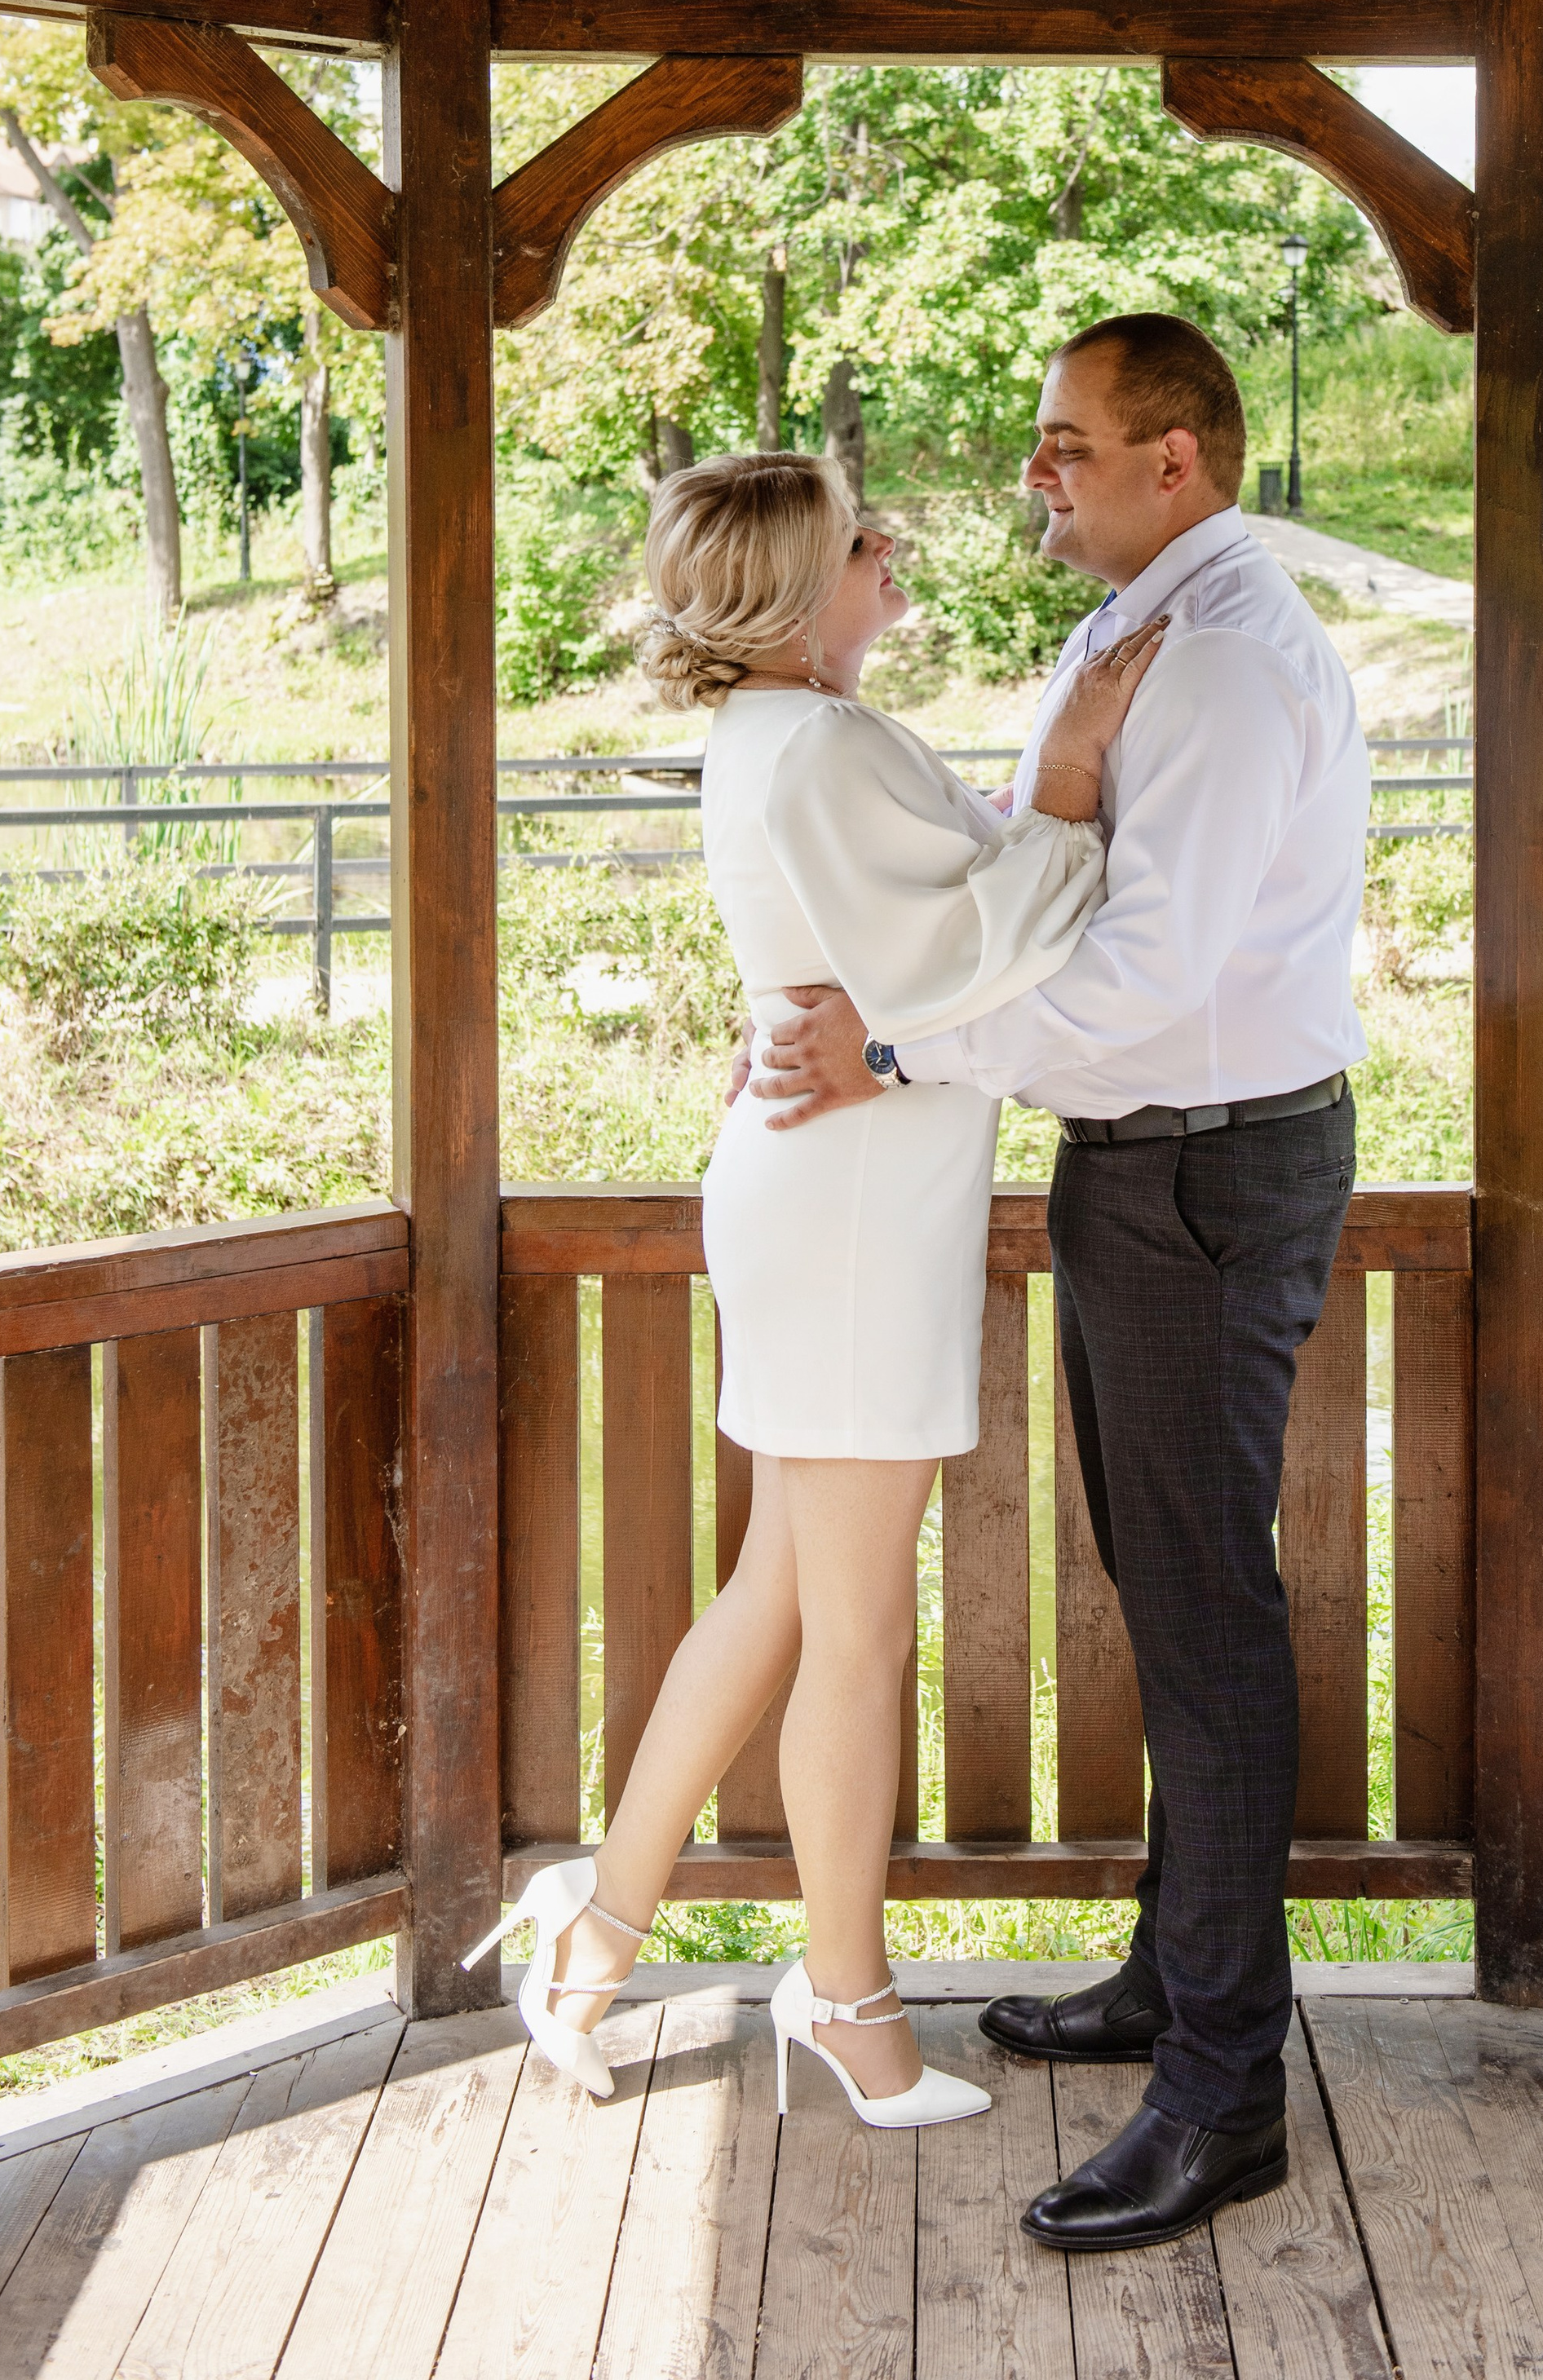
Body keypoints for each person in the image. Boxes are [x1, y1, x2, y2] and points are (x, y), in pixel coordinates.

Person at [745, 315, 1368, 2250]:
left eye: (1067, 443)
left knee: (1204, 1622)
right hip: (1148, 1166)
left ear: (1176, 459)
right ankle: (1173, 1987)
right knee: (1173, 1598)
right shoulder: (1141, 632)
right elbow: (1055, 888)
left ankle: (1223, 2091)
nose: (1036, 471)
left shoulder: (1228, 663)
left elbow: (1145, 973)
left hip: (1200, 1165)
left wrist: (899, 1053)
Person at [465, 450, 1165, 2131]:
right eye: (860, 537)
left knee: (775, 1596)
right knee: (855, 1628)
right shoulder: (823, 745)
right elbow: (960, 949)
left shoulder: (773, 736)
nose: (890, 548)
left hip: (829, 1191)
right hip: (851, 1207)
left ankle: (597, 1923)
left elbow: (880, 945)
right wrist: (1071, 777)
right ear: (795, 590)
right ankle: (845, 1996)